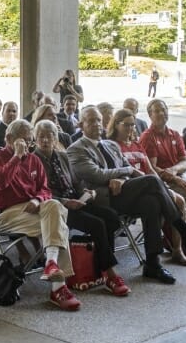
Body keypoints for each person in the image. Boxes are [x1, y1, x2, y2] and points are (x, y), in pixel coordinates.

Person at [68, 106, 186, 282]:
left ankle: (152, 263)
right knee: (151, 180)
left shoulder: (111, 145)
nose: (97, 124)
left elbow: (126, 174)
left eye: (99, 120)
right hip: (102, 198)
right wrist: (126, 171)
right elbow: (97, 174)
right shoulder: (76, 149)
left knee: (151, 202)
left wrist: (122, 178)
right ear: (81, 125)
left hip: (122, 193)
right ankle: (182, 227)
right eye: (91, 121)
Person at [0, 118, 80, 311]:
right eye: (24, 140)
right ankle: (58, 286)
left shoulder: (33, 160)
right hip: (6, 215)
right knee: (59, 223)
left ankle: (52, 266)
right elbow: (0, 182)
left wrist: (37, 199)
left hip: (34, 211)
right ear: (9, 138)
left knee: (53, 208)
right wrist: (16, 158)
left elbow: (45, 190)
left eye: (30, 141)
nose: (28, 145)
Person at [33, 120, 130, 296]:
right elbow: (37, 193)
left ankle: (102, 264)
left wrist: (85, 192)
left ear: (56, 139)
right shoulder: (33, 160)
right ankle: (110, 273)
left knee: (111, 217)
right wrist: (64, 201)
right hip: (56, 208)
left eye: (50, 136)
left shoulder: (62, 156)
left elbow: (76, 182)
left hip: (75, 200)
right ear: (35, 139)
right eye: (41, 137)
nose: (46, 140)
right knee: (96, 224)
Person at [107, 108, 186, 266]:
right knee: (164, 198)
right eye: (126, 125)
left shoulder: (136, 144)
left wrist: (161, 184)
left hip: (151, 186)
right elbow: (120, 173)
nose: (131, 128)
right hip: (131, 191)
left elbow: (151, 170)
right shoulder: (111, 146)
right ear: (116, 125)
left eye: (132, 125)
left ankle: (177, 249)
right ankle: (182, 234)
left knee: (177, 201)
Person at [139, 99, 186, 234]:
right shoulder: (148, 137)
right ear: (150, 115)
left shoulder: (174, 134)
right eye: (157, 111)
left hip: (179, 176)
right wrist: (174, 177)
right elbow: (152, 168)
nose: (161, 113)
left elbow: (185, 161)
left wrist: (174, 169)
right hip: (163, 183)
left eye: (164, 110)